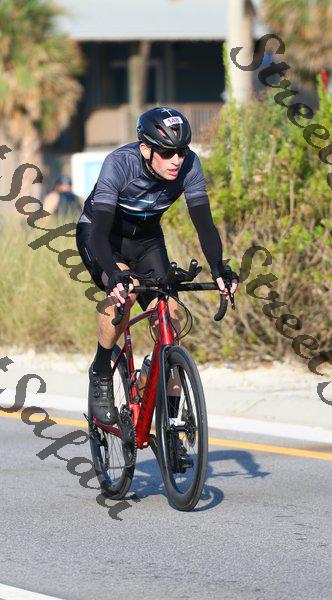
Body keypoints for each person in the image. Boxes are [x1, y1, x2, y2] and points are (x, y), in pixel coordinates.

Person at [76, 107, 238, 429]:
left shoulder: (189, 165)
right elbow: (98, 233)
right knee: (126, 295)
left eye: (182, 151)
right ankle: (101, 369)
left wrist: (219, 268)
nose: (177, 160)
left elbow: (204, 224)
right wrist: (115, 275)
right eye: (167, 153)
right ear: (146, 149)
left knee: (171, 320)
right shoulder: (119, 165)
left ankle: (171, 417)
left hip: (147, 240)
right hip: (103, 236)